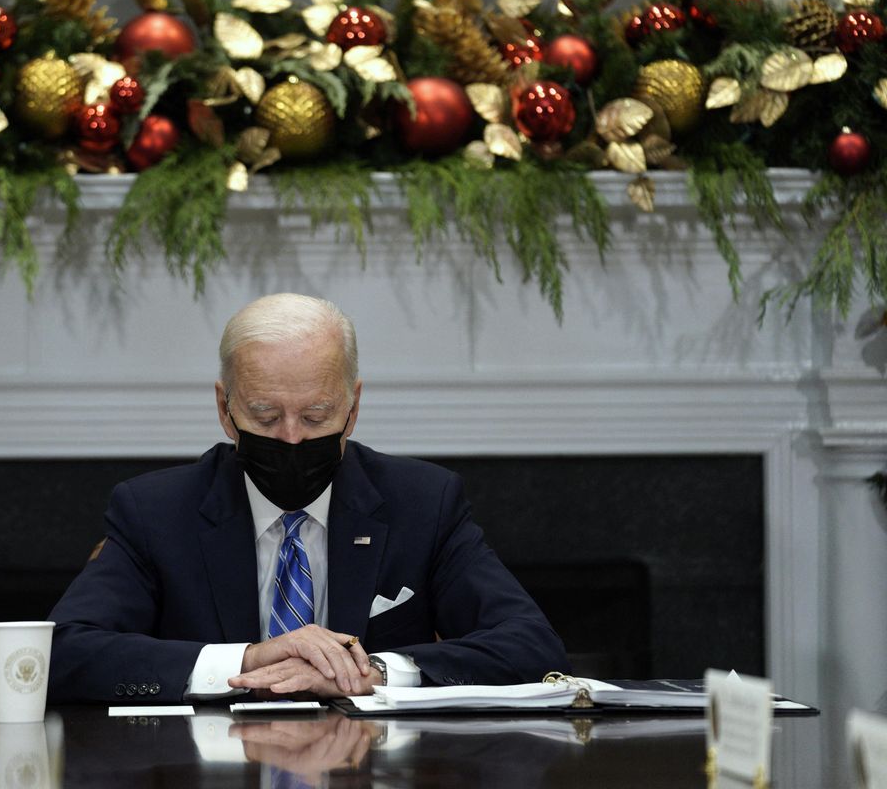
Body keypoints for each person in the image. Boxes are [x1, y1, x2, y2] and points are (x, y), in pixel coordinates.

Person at [48, 293, 568, 703]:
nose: (293, 439)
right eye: (266, 417)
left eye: (317, 416)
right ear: (225, 409)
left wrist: (373, 672)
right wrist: (246, 661)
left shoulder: (423, 503)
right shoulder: (157, 511)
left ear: (353, 406)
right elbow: (62, 651)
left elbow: (529, 646)